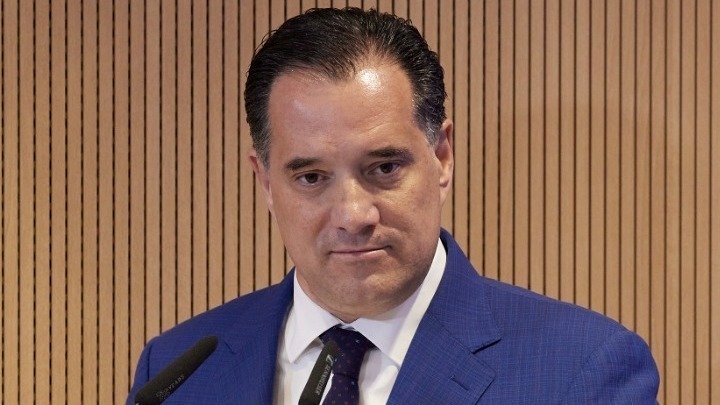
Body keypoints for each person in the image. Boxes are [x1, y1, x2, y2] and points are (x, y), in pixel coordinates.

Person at [128, 7, 659, 404]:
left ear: (442, 157)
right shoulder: (175, 372)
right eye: (311, 177)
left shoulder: (582, 370)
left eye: (384, 168)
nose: (353, 215)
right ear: (265, 182)